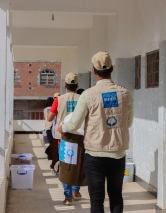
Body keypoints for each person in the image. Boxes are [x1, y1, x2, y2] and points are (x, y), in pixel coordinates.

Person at [57, 51, 133, 213]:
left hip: (95, 156)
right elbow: (129, 122)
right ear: (112, 69)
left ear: (94, 71)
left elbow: (74, 123)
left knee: (97, 199)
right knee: (116, 196)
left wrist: (62, 127)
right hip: (118, 154)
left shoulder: (88, 95)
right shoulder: (125, 94)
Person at [47, 73, 82, 206]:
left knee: (65, 166)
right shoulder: (82, 98)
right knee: (77, 164)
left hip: (63, 138)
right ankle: (75, 191)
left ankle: (68, 197)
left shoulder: (59, 100)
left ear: (65, 86)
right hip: (79, 137)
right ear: (77, 86)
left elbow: (49, 118)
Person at [43, 97, 59, 174]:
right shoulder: (55, 109)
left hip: (48, 130)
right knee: (55, 146)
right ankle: (51, 156)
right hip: (54, 130)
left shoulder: (45, 109)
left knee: (53, 145)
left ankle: (51, 156)